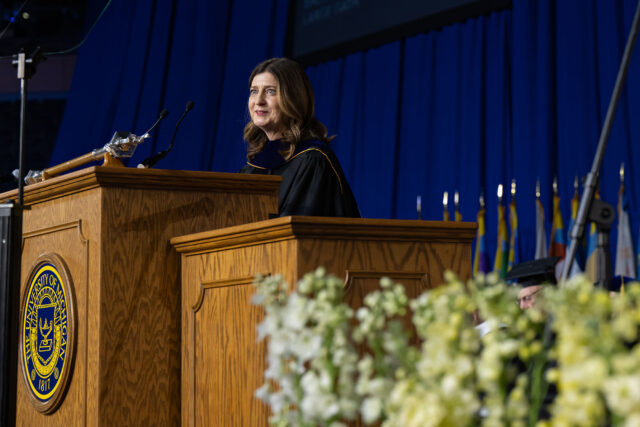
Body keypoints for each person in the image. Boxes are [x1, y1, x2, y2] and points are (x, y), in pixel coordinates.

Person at [239, 58, 360, 218]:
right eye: (254, 91)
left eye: (270, 91)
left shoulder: (313, 161)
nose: (259, 101)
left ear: (294, 98)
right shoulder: (252, 168)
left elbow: (296, 231)